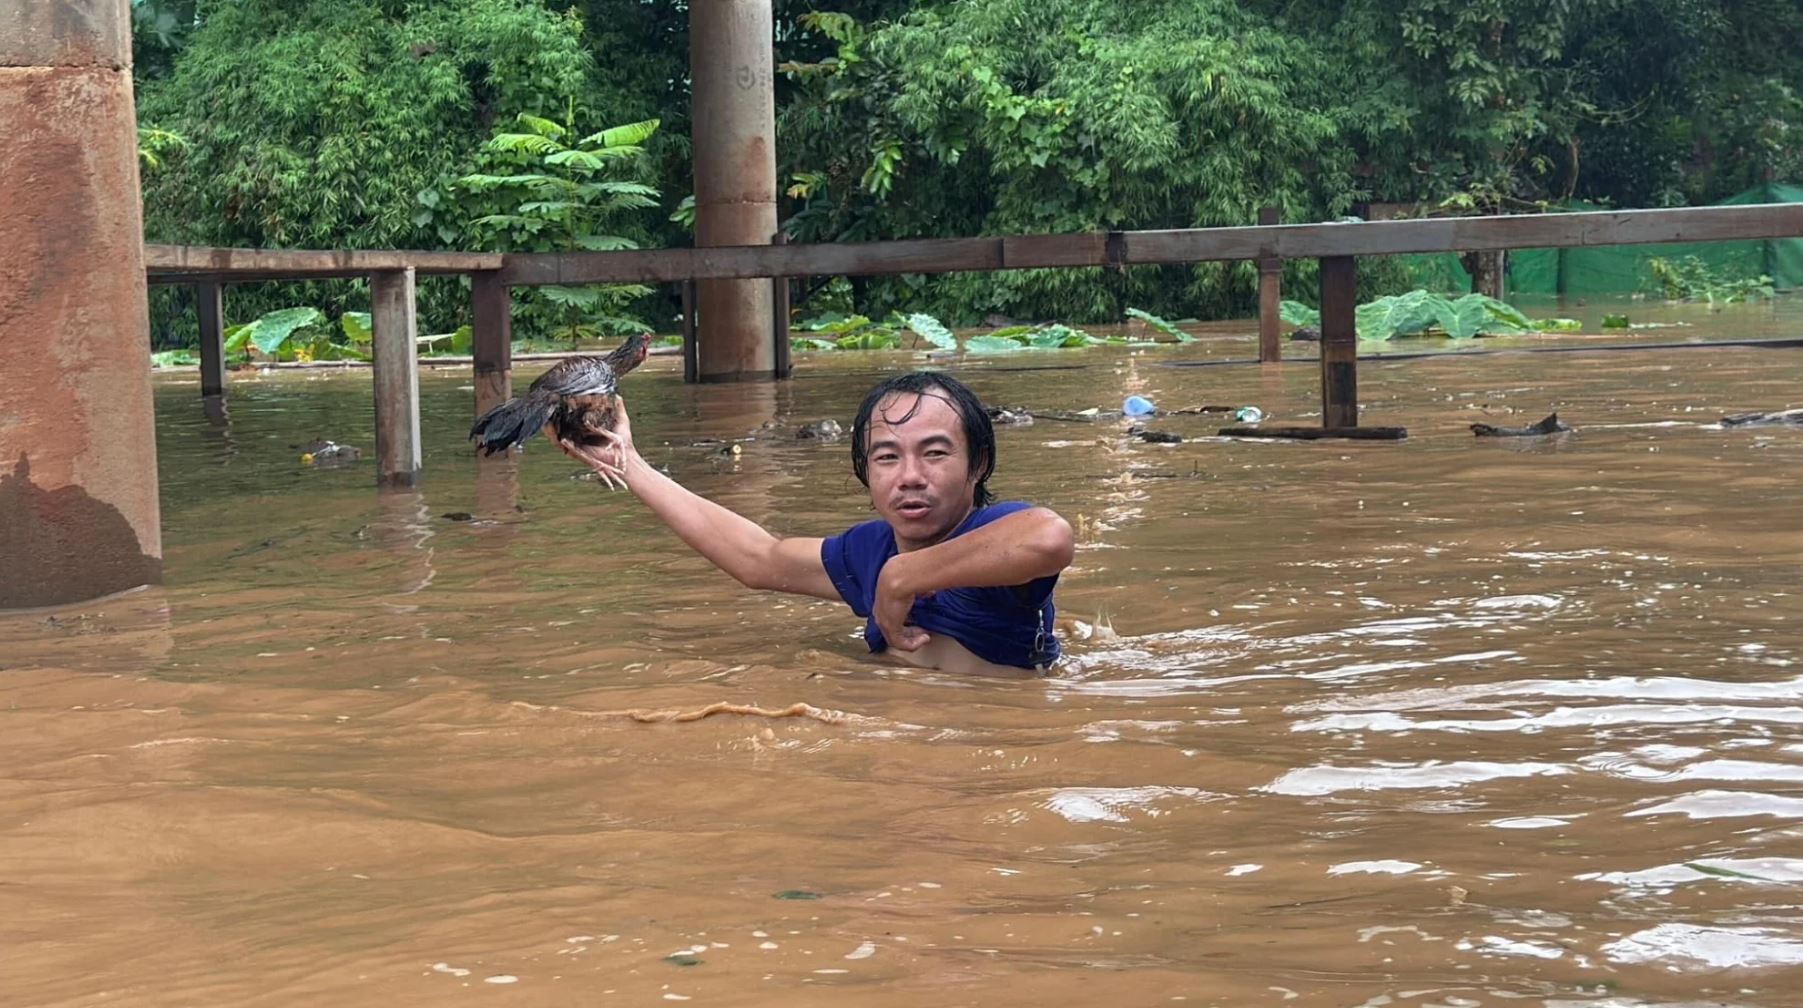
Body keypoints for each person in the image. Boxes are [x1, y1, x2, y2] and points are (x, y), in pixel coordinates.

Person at [560, 371, 1075, 676]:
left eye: (935, 454)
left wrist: (902, 579)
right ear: (865, 472)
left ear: (978, 464)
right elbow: (758, 559)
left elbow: (1049, 536)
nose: (910, 476)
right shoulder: (868, 552)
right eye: (887, 457)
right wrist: (627, 461)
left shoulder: (993, 534)